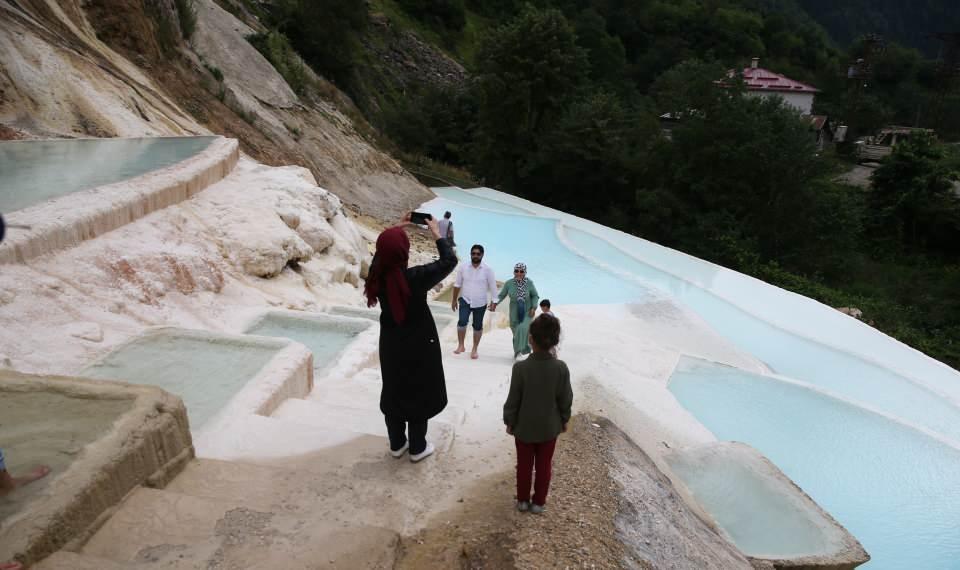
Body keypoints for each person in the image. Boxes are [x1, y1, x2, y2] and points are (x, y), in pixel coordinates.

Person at [364, 212, 458, 462]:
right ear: (404, 252)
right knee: (418, 390)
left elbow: (380, 256)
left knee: (394, 388)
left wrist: (395, 229)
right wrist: (438, 234)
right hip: (418, 345)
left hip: (391, 344)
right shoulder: (414, 279)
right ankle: (417, 447)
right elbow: (449, 261)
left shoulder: (378, 276)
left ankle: (397, 444)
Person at [503, 314, 572, 514]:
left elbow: (513, 400)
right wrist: (564, 419)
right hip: (549, 428)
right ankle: (539, 503)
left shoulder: (521, 368)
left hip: (523, 427)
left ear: (530, 339)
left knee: (524, 465)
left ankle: (523, 501)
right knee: (544, 466)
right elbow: (565, 398)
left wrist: (510, 420)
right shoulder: (561, 368)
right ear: (555, 341)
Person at [451, 244, 497, 359]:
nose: (475, 256)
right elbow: (457, 285)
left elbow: (493, 286)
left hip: (480, 302)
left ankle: (474, 349)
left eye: (478, 254)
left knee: (477, 326)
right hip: (465, 300)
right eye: (473, 253)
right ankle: (461, 345)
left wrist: (494, 301)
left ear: (482, 255)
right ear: (470, 254)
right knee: (462, 321)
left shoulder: (488, 270)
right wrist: (454, 300)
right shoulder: (463, 267)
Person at [490, 263, 539, 358]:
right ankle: (518, 352)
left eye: (521, 271)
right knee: (516, 333)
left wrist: (534, 307)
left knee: (522, 329)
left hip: (527, 311)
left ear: (525, 272)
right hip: (514, 312)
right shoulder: (509, 283)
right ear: (514, 272)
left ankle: (520, 352)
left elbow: (535, 296)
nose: (519, 273)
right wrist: (494, 303)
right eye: (517, 271)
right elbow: (501, 295)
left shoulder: (529, 283)